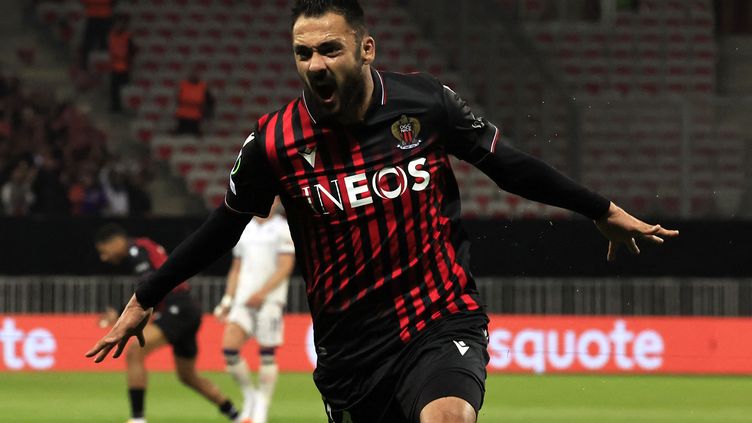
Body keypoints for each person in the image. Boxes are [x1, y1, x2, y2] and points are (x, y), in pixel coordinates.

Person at [87, 1, 680, 422]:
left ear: (366, 48)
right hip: (349, 346)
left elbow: (509, 164)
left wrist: (598, 208)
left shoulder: (425, 104)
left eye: (329, 49)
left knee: (448, 415)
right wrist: (146, 296)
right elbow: (224, 226)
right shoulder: (273, 142)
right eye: (302, 53)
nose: (315, 64)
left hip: (439, 314)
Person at [93, 224, 241, 423]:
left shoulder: (137, 250)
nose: (104, 257)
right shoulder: (144, 246)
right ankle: (235, 415)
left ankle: (137, 419)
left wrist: (122, 314)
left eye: (104, 251)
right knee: (187, 376)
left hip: (177, 307)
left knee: (134, 352)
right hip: (186, 309)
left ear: (116, 241)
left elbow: (147, 288)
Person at [214, 198, 296, 423]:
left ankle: (262, 407)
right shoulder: (245, 228)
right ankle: (250, 395)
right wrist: (227, 300)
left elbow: (285, 267)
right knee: (229, 348)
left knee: (267, 355)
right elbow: (236, 269)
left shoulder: (283, 229)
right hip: (243, 299)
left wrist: (262, 293)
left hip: (270, 301)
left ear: (277, 201)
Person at [108, 14, 136, 112]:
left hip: (124, 67)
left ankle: (123, 108)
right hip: (114, 67)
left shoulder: (127, 36)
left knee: (123, 90)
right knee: (114, 90)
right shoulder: (111, 35)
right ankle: (115, 107)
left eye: (121, 23)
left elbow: (133, 50)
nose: (119, 25)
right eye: (117, 23)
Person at [174, 69, 214, 137]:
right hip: (183, 114)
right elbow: (178, 98)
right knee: (180, 134)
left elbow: (210, 100)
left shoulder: (203, 86)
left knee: (195, 135)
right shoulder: (183, 85)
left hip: (196, 115)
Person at [79, 0, 114, 70]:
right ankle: (85, 65)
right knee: (90, 42)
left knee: (103, 43)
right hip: (95, 16)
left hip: (102, 16)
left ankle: (104, 65)